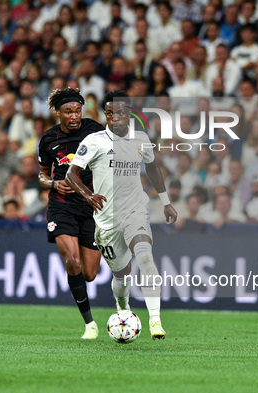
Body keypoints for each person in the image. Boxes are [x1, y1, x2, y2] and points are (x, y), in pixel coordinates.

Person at [66, 90, 178, 340]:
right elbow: (71, 174)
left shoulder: (141, 139)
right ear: (106, 114)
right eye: (111, 113)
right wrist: (88, 195)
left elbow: (152, 167)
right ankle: (123, 308)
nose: (116, 117)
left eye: (122, 113)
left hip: (135, 210)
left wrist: (166, 202)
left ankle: (155, 321)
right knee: (122, 275)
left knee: (145, 256)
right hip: (106, 221)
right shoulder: (93, 141)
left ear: (129, 114)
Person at [37, 88, 105, 340]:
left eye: (77, 110)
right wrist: (53, 184)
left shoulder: (95, 129)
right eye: (68, 111)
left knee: (89, 273)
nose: (74, 116)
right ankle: (89, 324)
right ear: (58, 113)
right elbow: (42, 174)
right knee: (72, 261)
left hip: (91, 206)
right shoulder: (48, 139)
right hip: (62, 205)